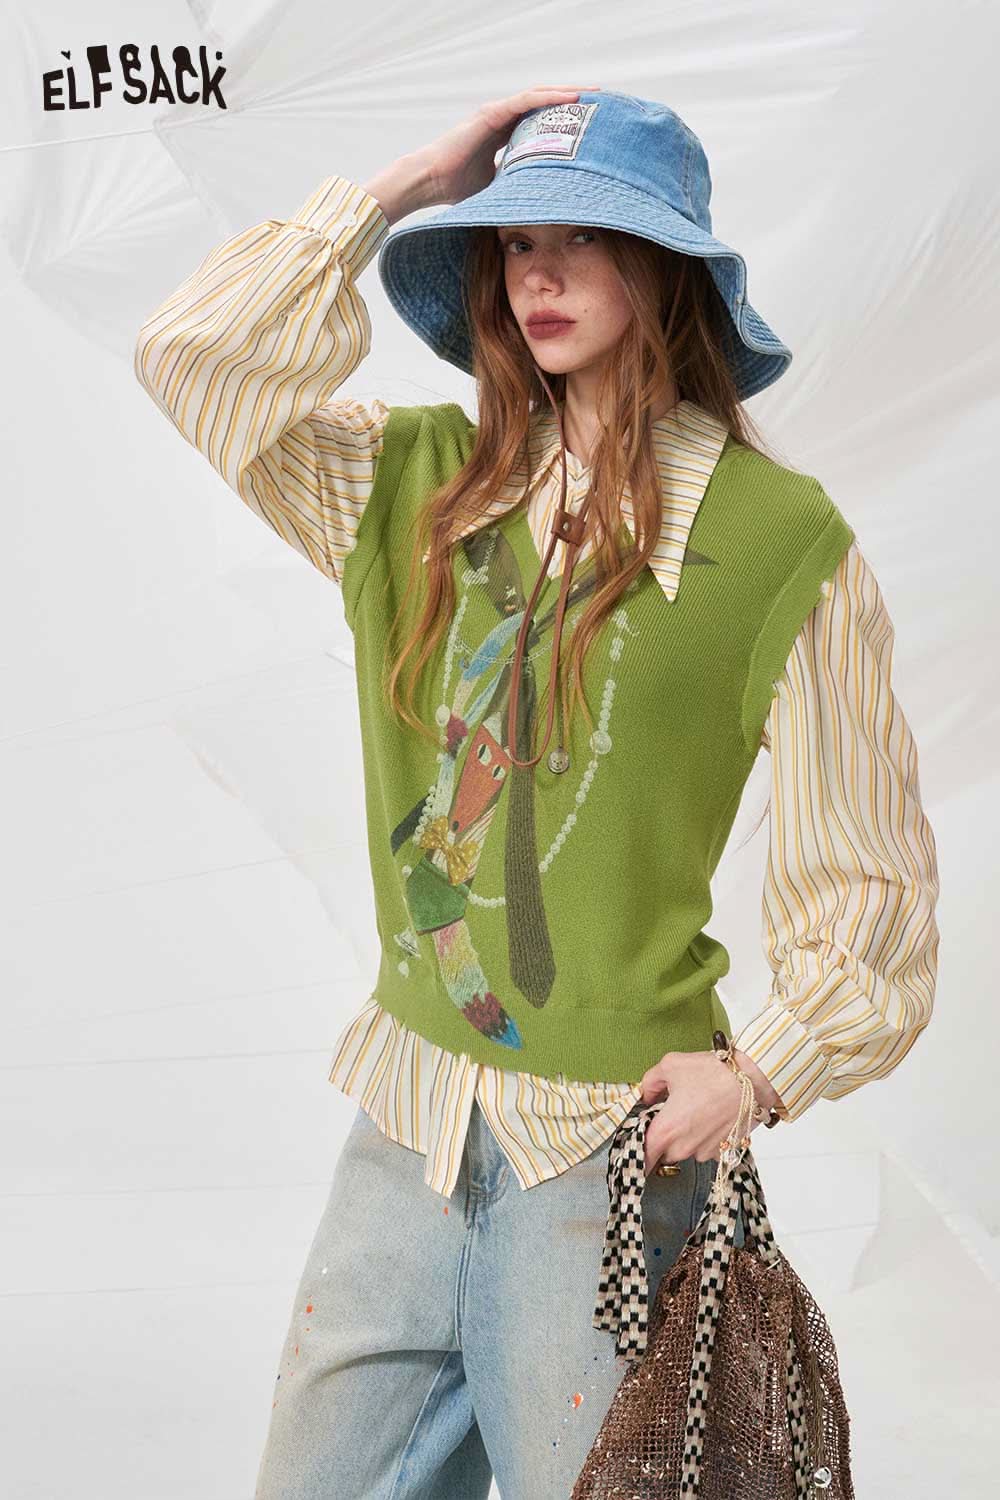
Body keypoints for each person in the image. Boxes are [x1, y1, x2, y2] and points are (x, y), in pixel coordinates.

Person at [134, 85, 940, 1499]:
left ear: (666, 268)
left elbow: (870, 875)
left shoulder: (779, 544)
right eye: (515, 243)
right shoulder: (413, 485)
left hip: (607, 1155)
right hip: (407, 1125)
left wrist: (761, 1071)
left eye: (584, 239)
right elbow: (191, 361)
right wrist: (401, 191)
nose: (542, 276)